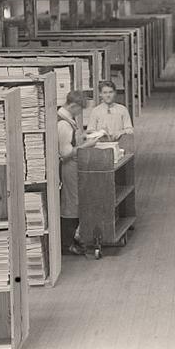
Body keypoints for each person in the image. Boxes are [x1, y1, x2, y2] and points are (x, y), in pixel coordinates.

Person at [57, 90, 97, 255]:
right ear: (73, 106)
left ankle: (72, 239)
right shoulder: (63, 124)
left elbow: (71, 141)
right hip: (68, 167)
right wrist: (86, 146)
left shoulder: (67, 119)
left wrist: (83, 136)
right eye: (80, 109)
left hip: (72, 166)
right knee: (71, 203)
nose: (80, 113)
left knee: (74, 201)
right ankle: (67, 243)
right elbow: (66, 153)